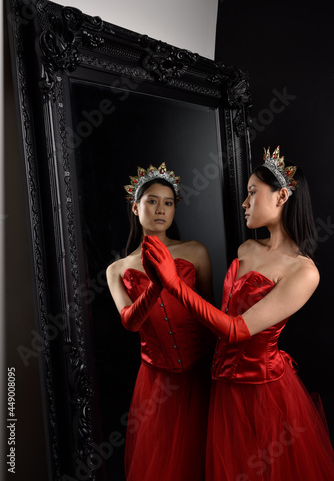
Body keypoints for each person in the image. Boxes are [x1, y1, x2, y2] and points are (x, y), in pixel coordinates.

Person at [142, 148, 334, 480]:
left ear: (282, 196)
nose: (244, 203)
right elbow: (219, 316)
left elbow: (236, 330)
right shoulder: (247, 248)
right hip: (222, 385)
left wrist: (174, 284)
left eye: (252, 193)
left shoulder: (304, 272)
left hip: (263, 391)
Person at [106, 162, 215, 481]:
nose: (161, 209)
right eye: (152, 201)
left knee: (210, 454)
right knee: (167, 465)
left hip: (202, 372)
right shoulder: (118, 269)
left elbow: (211, 313)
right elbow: (130, 322)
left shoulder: (195, 251)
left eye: (168, 202)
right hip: (157, 382)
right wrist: (156, 283)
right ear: (135, 206)